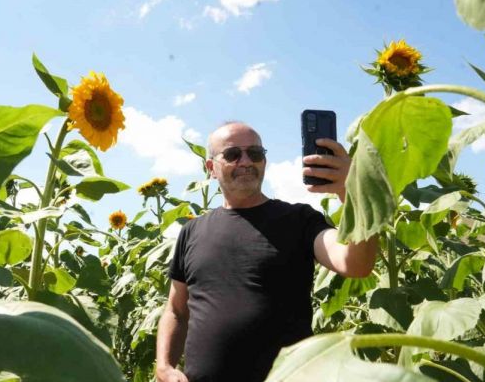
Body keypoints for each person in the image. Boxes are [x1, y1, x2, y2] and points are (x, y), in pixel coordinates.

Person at [155, 121, 378, 382]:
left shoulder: (299, 220)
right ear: (211, 169)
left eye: (256, 153)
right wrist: (164, 366)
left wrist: (353, 190)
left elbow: (356, 264)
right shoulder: (192, 232)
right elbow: (176, 311)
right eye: (232, 154)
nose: (246, 161)